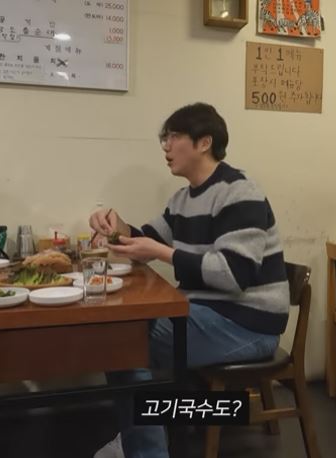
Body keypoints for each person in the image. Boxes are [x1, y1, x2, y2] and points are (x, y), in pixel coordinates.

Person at [89, 102, 290, 458]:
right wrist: (117, 226)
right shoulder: (182, 199)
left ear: (204, 142)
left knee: (124, 340)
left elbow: (233, 275)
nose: (166, 146)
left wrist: (162, 251)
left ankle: (144, 443)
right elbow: (146, 241)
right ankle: (141, 434)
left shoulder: (239, 191)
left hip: (247, 324)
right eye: (164, 139)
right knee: (122, 336)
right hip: (207, 313)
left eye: (174, 137)